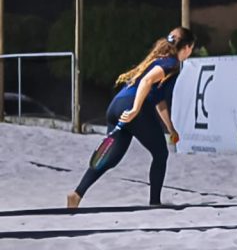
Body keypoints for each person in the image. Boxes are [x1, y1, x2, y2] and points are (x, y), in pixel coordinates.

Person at [67, 27, 196, 209]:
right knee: (160, 153)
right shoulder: (171, 63)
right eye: (192, 48)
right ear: (187, 47)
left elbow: (159, 101)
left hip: (116, 106)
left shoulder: (158, 60)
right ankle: (155, 203)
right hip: (133, 107)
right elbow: (146, 81)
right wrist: (135, 109)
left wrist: (170, 128)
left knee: (111, 158)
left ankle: (76, 194)